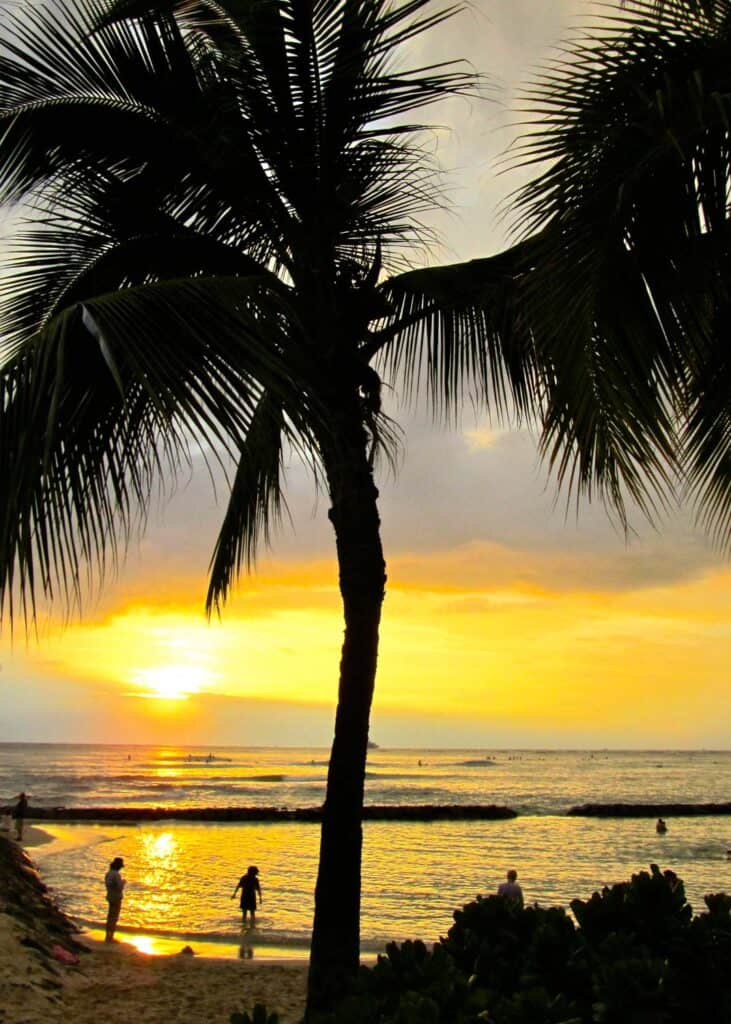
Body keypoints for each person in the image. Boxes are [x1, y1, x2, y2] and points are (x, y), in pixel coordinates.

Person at [104, 856, 126, 942]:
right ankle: (110, 937)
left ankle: (108, 935)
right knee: (114, 917)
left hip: (109, 895)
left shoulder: (108, 873)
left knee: (110, 916)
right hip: (116, 897)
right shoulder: (116, 875)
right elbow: (119, 887)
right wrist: (123, 882)